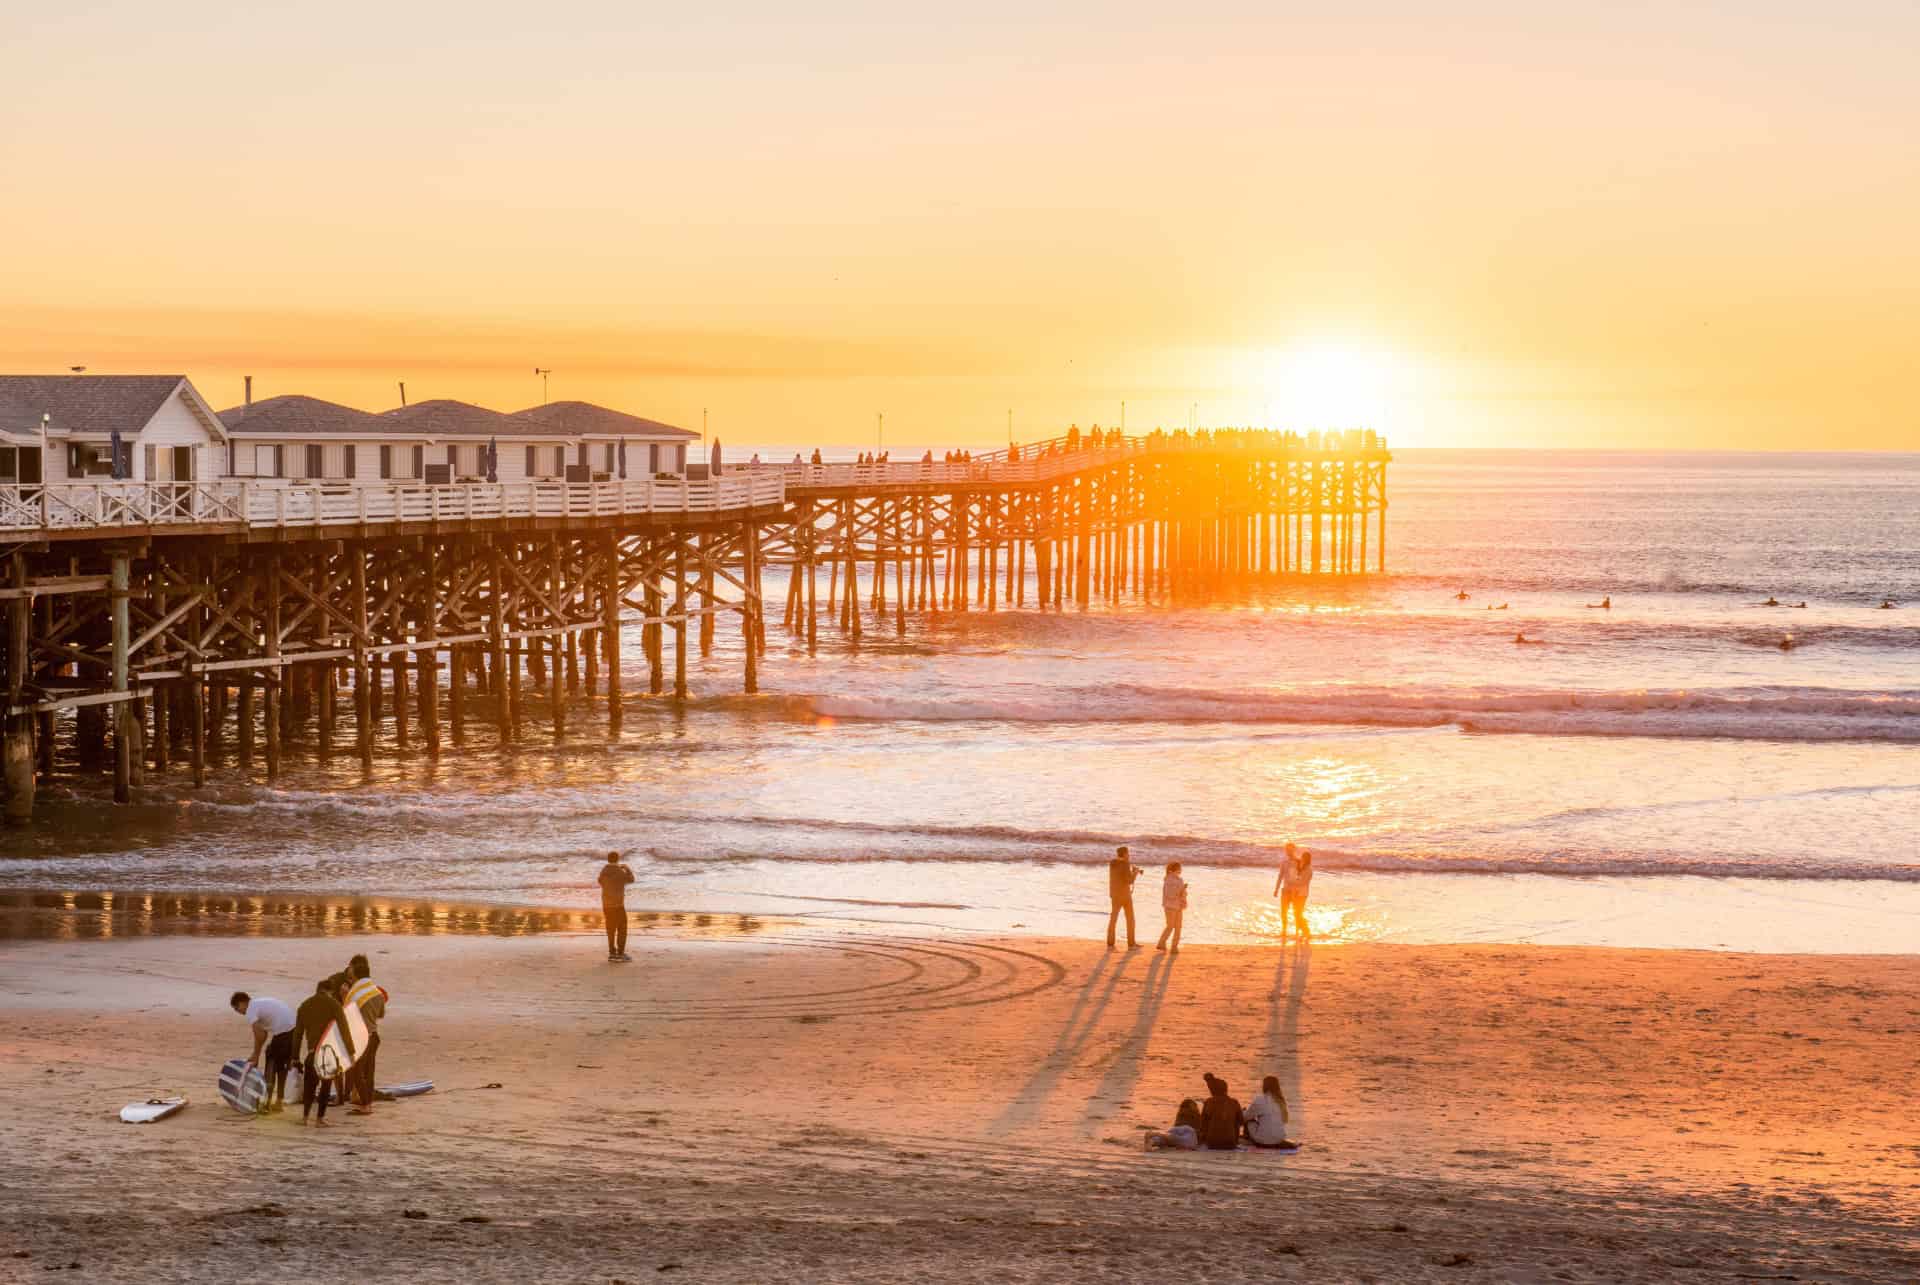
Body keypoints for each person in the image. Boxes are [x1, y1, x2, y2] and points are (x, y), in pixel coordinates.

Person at [295, 975, 354, 1128]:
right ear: (329, 991)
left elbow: (298, 1034)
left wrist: (294, 1057)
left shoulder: (304, 1006)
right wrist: (350, 1052)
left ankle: (305, 1117)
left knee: (309, 1087)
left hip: (311, 1053)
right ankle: (320, 1119)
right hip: (327, 1054)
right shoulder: (334, 1004)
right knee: (326, 1087)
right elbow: (344, 1030)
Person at [230, 990, 297, 1113]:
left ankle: (266, 1103)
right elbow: (264, 1034)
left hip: (283, 1032)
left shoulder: (250, 1009)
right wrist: (256, 1054)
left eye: (236, 1008)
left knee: (271, 1063)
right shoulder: (259, 1003)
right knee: (281, 1068)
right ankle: (279, 1102)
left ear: (242, 1003)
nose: (238, 1012)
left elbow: (258, 1035)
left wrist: (256, 1055)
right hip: (293, 1032)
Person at [344, 954, 388, 1115]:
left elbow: (347, 1016)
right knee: (369, 1073)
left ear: (355, 974)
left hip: (362, 1038)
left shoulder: (355, 994)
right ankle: (367, 1103)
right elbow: (381, 1014)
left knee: (356, 1072)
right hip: (374, 1036)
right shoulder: (376, 992)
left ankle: (365, 1105)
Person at [1242, 1075, 1298, 1149]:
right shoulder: (1281, 1101)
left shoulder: (1260, 1099)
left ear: (1264, 1086)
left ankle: (1246, 1138)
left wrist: (1242, 1111)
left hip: (1264, 1141)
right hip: (1279, 1139)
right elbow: (1284, 1121)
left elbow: (1245, 1117)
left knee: (1247, 1115)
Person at [598, 850, 635, 962]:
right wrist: (627, 869)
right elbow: (631, 880)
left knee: (610, 929)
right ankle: (621, 953)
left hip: (606, 905)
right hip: (618, 905)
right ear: (618, 859)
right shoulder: (620, 872)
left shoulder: (603, 871)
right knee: (622, 928)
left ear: (608, 859)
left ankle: (612, 953)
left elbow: (600, 881)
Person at [1107, 845, 1141, 949]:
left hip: (1114, 894)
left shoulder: (1113, 863)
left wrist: (1131, 871)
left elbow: (1120, 877)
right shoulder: (1125, 864)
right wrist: (1135, 873)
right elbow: (1129, 881)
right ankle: (1131, 943)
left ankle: (1110, 942)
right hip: (1124, 895)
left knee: (1113, 918)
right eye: (1128, 853)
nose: (1129, 855)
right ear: (1125, 854)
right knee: (1130, 919)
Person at [1198, 1073, 1243, 1150]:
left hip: (1212, 1143)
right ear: (1226, 1089)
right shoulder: (1234, 1102)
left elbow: (1202, 1124)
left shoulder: (1209, 1102)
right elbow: (1241, 1121)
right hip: (1230, 1143)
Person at [1156, 862, 1187, 953]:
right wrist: (1181, 890)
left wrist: (1183, 892)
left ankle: (1174, 947)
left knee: (1178, 927)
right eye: (1180, 868)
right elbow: (1170, 894)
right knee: (1170, 926)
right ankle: (1161, 943)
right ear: (1176, 869)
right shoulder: (1169, 880)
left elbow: (1182, 893)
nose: (1181, 870)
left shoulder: (1179, 879)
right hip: (1170, 906)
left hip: (1178, 906)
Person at [1286, 850, 1313, 937]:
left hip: (1302, 894)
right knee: (1297, 913)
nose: (1302, 859)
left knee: (1298, 913)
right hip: (1297, 892)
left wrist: (1292, 882)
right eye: (1302, 857)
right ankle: (1303, 932)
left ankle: (1306, 931)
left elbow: (1303, 882)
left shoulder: (1308, 869)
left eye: (1304, 858)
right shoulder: (1302, 867)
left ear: (1307, 859)